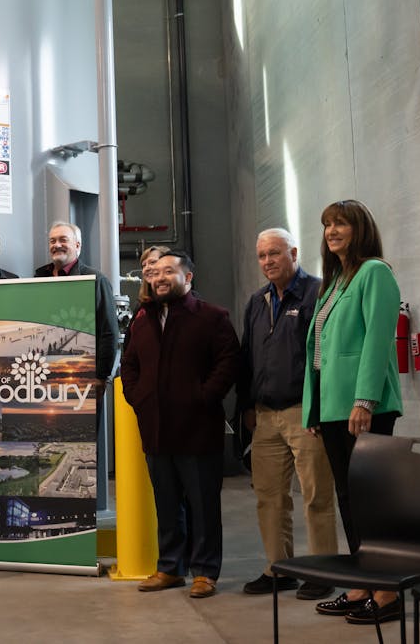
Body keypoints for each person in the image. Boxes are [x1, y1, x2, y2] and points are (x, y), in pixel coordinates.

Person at [302, 200, 404, 626]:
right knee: (348, 498)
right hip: (332, 407)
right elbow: (319, 353)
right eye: (327, 224)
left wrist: (365, 400)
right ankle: (363, 583)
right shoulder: (335, 281)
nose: (332, 231)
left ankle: (387, 591)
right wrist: (314, 409)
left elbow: (378, 340)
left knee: (372, 499)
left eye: (340, 223)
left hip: (363, 407)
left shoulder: (374, 273)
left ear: (358, 229)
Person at [120, 250, 240, 599]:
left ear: (188, 278)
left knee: (203, 504)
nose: (159, 278)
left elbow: (228, 361)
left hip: (198, 428)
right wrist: (137, 397)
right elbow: (129, 365)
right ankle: (170, 567)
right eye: (155, 273)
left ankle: (205, 571)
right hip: (156, 427)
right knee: (167, 502)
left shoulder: (212, 317)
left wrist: (203, 397)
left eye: (168, 272)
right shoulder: (142, 320)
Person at [237, 228, 338, 599]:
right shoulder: (257, 301)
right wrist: (246, 406)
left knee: (316, 495)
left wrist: (321, 410)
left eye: (275, 254)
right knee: (269, 496)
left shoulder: (318, 292)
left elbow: (324, 357)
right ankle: (279, 569)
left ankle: (322, 570)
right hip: (264, 416)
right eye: (262, 256)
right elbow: (247, 357)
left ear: (294, 252)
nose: (267, 262)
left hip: (305, 413)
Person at [35, 222, 119, 381]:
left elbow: (108, 332)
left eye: (63, 240)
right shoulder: (39, 278)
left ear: (77, 244)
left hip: (84, 375)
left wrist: (101, 377)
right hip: (45, 373)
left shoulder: (95, 280)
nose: (57, 245)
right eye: (52, 241)